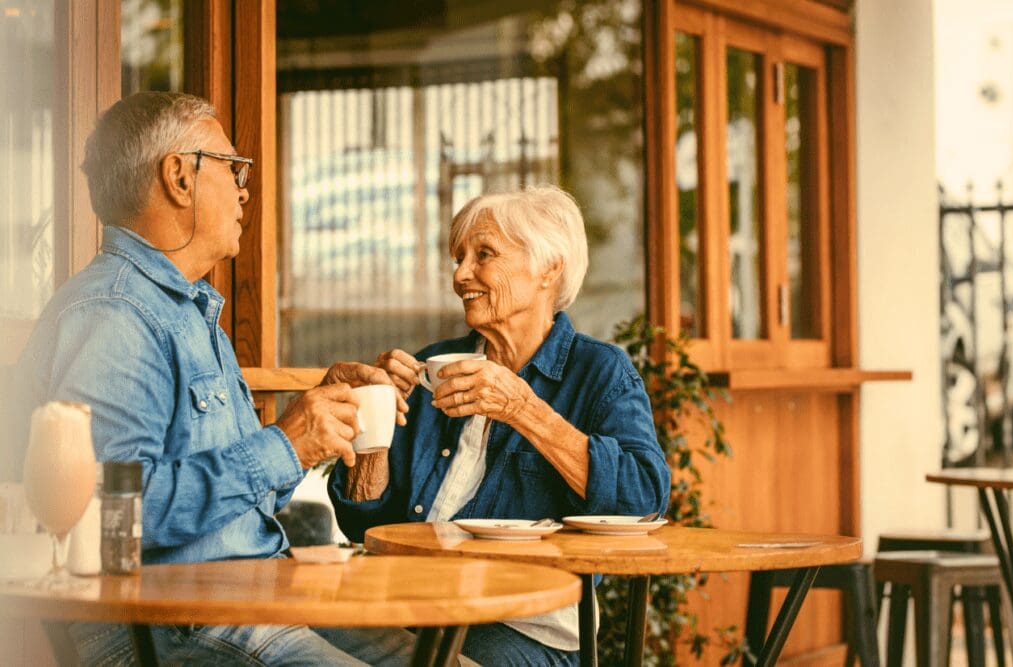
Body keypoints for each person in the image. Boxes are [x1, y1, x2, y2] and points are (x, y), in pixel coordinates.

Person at [14, 91, 415, 666]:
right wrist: (284, 443)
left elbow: (239, 497)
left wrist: (307, 429)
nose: (245, 187)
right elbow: (117, 517)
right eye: (233, 167)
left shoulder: (188, 308)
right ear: (180, 176)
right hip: (169, 624)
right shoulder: (114, 313)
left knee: (442, 659)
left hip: (252, 597)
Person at [328, 185, 671, 666]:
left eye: (483, 254)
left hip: (525, 631)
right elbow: (364, 524)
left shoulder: (599, 373)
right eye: (458, 257)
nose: (460, 274)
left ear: (548, 269)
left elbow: (644, 501)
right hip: (411, 608)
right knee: (288, 638)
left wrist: (524, 409)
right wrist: (375, 426)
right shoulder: (433, 367)